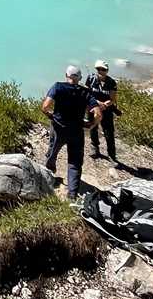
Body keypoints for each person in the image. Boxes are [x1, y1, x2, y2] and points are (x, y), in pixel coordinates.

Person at [41, 65, 101, 200]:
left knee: (53, 152)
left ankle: (49, 176)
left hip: (58, 128)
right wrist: (91, 125)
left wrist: (51, 116)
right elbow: (98, 114)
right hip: (76, 131)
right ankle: (72, 194)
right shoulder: (85, 92)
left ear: (66, 75)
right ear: (79, 78)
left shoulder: (58, 87)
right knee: (74, 161)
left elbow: (45, 106)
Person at [85, 60, 119, 162]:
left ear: (107, 71)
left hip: (106, 110)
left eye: (103, 69)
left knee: (109, 132)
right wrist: (97, 103)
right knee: (93, 128)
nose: (100, 71)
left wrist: (105, 105)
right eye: (98, 69)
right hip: (93, 108)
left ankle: (112, 156)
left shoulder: (111, 82)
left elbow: (112, 99)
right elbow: (87, 93)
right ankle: (95, 148)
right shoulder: (91, 79)